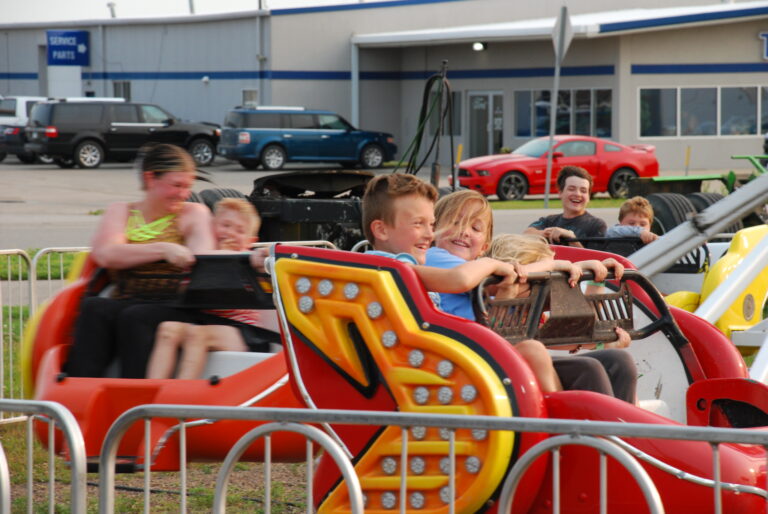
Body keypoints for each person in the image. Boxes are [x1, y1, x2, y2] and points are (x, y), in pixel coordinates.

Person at [65, 144, 215, 378]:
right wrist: (163, 249)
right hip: (127, 298)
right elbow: (106, 254)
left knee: (136, 317)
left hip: (175, 305)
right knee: (95, 308)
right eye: (176, 185)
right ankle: (78, 391)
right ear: (150, 178)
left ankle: (135, 398)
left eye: (188, 186)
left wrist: (180, 253)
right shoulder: (121, 212)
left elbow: (201, 259)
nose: (184, 193)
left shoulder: (193, 214)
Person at [424, 189, 581, 393]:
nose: (464, 231)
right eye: (455, 222)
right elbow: (503, 280)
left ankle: (611, 424)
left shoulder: (481, 268)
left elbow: (507, 323)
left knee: (606, 363)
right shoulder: (435, 257)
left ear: (484, 246)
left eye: (475, 227)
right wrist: (551, 265)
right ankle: (560, 421)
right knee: (532, 350)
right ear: (433, 230)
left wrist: (583, 267)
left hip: (484, 353)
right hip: (461, 358)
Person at [487, 233, 637, 403]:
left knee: (618, 361)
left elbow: (575, 333)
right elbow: (496, 334)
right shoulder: (498, 305)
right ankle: (604, 427)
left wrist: (596, 278)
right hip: (511, 378)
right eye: (545, 278)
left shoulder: (531, 308)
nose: (551, 286)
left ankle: (629, 425)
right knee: (588, 368)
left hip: (531, 372)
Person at [145, 198, 268, 380]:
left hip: (243, 333)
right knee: (167, 329)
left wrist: (259, 256)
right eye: (225, 225)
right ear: (212, 228)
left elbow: (264, 259)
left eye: (239, 230)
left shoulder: (249, 259)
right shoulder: (200, 259)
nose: (231, 234)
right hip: (207, 323)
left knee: (196, 335)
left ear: (251, 240)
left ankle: (179, 399)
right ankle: (151, 392)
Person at [361, 173, 521, 303]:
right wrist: (491, 263)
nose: (430, 234)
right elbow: (459, 279)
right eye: (418, 224)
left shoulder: (401, 265)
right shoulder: (388, 268)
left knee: (530, 345)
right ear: (381, 230)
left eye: (431, 225)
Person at [524, 165, 607, 246]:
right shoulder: (549, 221)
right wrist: (549, 233)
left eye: (583, 191)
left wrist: (571, 238)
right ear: (560, 193)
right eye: (571, 189)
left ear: (588, 197)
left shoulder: (597, 225)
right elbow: (527, 234)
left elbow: (596, 258)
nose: (578, 194)